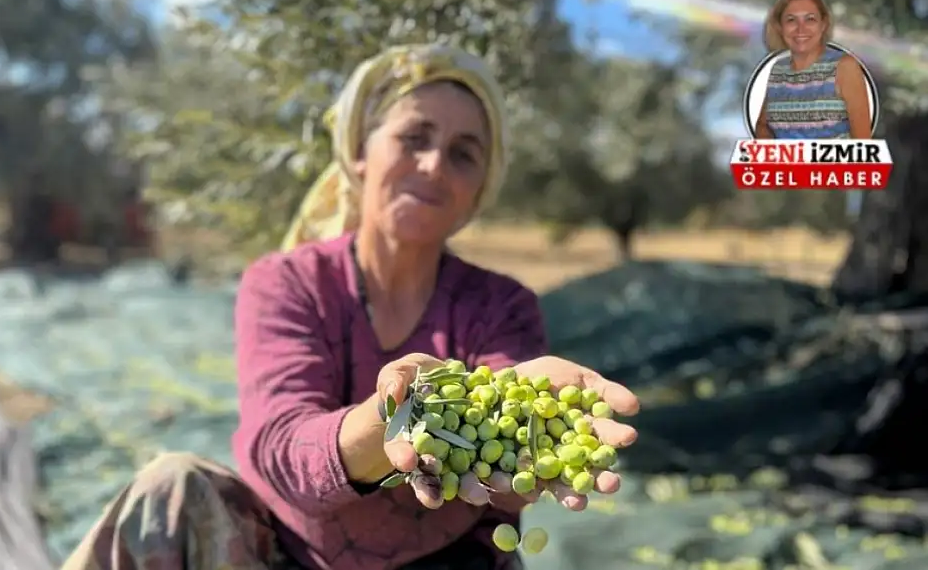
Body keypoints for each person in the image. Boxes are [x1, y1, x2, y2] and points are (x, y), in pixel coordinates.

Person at [60, 44, 640, 570]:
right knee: (170, 487)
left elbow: (506, 449)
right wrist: (389, 420)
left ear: (479, 188)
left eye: (463, 154)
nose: (435, 164)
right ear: (361, 152)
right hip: (284, 557)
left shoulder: (498, 304)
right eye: (414, 138)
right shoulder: (290, 282)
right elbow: (279, 448)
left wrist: (533, 440)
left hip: (443, 563)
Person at [755, 0, 873, 140]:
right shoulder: (778, 69)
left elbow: (863, 145)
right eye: (791, 20)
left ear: (823, 25)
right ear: (779, 27)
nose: (800, 29)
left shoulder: (845, 67)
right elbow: (763, 125)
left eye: (810, 19)